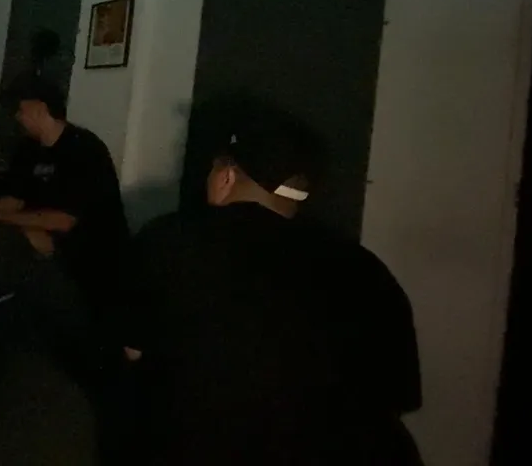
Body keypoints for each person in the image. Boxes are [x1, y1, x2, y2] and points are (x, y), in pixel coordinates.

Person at [120, 109, 423, 465]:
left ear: (226, 178)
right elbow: (397, 396)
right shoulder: (367, 270)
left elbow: (133, 351)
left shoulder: (168, 240)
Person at [0, 79, 129, 385]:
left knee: (18, 238)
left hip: (90, 251)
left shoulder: (84, 149)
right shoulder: (29, 150)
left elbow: (66, 220)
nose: (17, 117)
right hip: (45, 242)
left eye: (21, 110)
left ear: (40, 109)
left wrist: (3, 218)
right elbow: (15, 197)